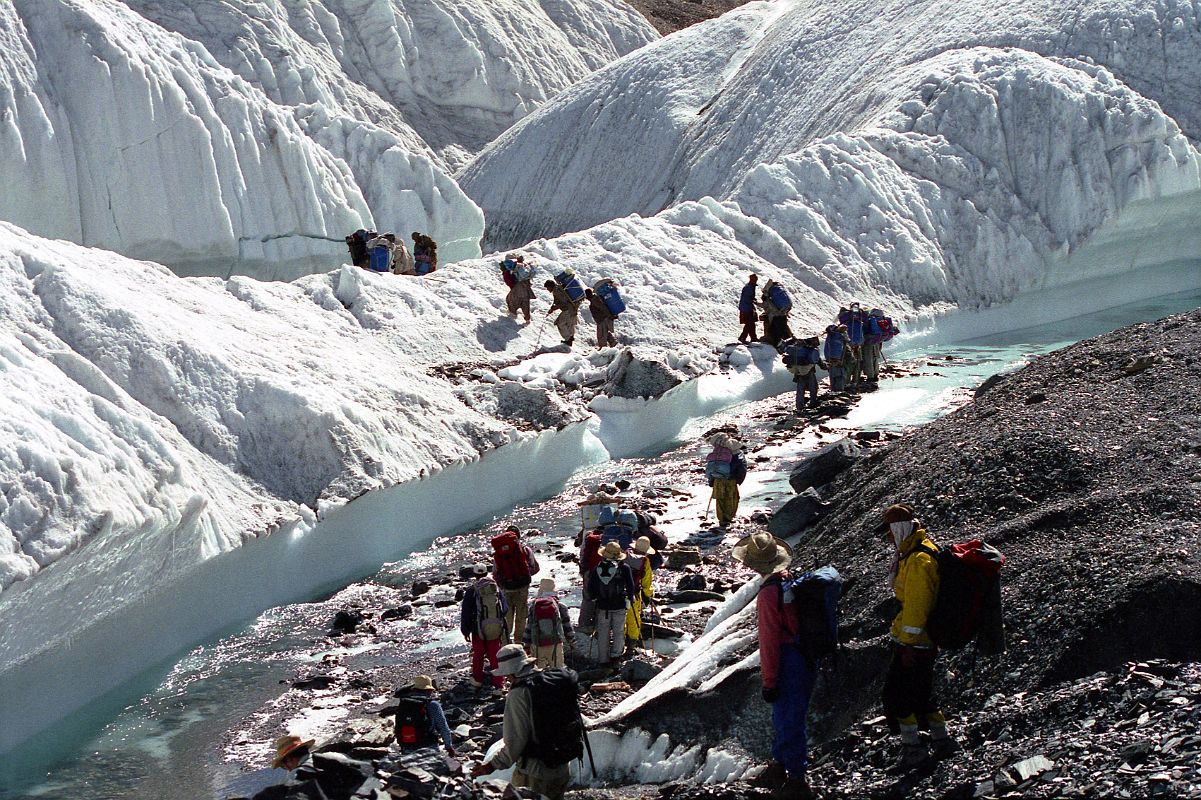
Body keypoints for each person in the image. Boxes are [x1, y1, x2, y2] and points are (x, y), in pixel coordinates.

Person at [732, 533, 816, 800]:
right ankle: (782, 766)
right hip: (803, 653)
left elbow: (769, 641)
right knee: (790, 715)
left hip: (787, 657)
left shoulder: (769, 593)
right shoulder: (786, 580)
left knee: (787, 716)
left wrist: (769, 681)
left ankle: (796, 778)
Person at [879, 503, 959, 767]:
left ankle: (913, 748)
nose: (888, 538)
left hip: (916, 642)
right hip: (923, 639)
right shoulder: (916, 552)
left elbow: (917, 607)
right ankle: (941, 739)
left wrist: (908, 645)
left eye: (889, 532)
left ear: (898, 529)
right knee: (923, 693)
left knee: (897, 696)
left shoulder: (918, 560)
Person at [469, 645, 580, 800]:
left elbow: (515, 741)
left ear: (512, 671)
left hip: (535, 773)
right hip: (562, 765)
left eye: (507, 674)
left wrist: (491, 765)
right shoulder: (553, 681)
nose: (507, 678)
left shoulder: (519, 693)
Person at [253, 735, 378, 799]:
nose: (288, 769)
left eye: (285, 766)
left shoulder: (297, 775)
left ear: (290, 759)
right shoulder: (333, 756)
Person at [587, 542, 636, 665]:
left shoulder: (597, 568)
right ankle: (616, 657)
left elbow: (591, 587)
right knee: (618, 631)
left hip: (603, 606)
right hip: (619, 605)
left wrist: (594, 598)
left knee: (603, 632)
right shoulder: (624, 568)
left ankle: (603, 659)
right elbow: (630, 586)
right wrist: (631, 598)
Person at [460, 571, 509, 689]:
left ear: (474, 575)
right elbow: (505, 608)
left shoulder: (472, 590)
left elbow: (465, 612)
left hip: (478, 629)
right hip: (495, 628)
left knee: (478, 655)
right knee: (494, 655)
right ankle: (498, 683)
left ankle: (477, 680)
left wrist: (465, 631)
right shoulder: (495, 589)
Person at [491, 525, 540, 642]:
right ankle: (518, 642)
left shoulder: (499, 553)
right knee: (521, 616)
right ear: (518, 536)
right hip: (522, 588)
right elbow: (534, 568)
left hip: (506, 589)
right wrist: (524, 577)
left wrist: (503, 584)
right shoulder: (525, 550)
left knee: (507, 616)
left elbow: (495, 573)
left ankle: (506, 641)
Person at [394, 675, 456, 757]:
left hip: (407, 748)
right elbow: (443, 727)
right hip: (429, 747)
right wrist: (449, 747)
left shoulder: (404, 703)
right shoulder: (432, 705)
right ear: (429, 690)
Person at [524, 578, 574, 668]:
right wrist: (571, 641)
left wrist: (526, 645)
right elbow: (567, 626)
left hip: (538, 644)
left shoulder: (534, 605)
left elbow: (529, 626)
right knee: (558, 670)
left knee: (538, 672)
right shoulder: (560, 605)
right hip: (555, 643)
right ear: (554, 588)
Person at [705, 432, 748, 530]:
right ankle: (729, 518)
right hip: (730, 479)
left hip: (718, 479)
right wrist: (739, 479)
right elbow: (741, 466)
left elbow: (711, 466)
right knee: (732, 498)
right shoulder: (735, 451)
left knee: (720, 500)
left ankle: (722, 520)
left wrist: (711, 480)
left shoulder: (717, 451)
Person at [624, 536, 656, 648]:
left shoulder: (625, 554)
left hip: (619, 592)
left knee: (621, 617)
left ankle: (620, 641)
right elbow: (646, 582)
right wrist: (648, 595)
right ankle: (632, 644)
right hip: (634, 594)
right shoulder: (645, 562)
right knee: (634, 618)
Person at [782, 336, 826, 410]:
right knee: (813, 388)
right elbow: (819, 362)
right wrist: (826, 367)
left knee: (800, 390)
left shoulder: (797, 350)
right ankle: (813, 403)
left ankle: (799, 406)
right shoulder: (811, 351)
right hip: (809, 373)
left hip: (798, 373)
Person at [577, 524, 604, 634]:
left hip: (588, 572)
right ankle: (599, 627)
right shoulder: (609, 537)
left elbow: (582, 554)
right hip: (603, 572)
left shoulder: (589, 537)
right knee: (601, 599)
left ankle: (583, 625)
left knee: (587, 599)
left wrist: (583, 570)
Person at [838, 303, 867, 392]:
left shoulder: (846, 317)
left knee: (849, 363)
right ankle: (855, 380)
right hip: (859, 342)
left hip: (850, 343)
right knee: (858, 362)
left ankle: (847, 382)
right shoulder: (860, 316)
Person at [544, 279, 581, 347]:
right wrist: (552, 308)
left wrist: (554, 308)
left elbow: (564, 303)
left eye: (547, 288)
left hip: (568, 309)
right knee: (569, 323)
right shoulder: (558, 289)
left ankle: (568, 339)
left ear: (550, 286)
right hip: (571, 308)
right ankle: (571, 337)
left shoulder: (557, 291)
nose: (548, 290)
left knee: (560, 323)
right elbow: (557, 301)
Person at [502, 254, 534, 322]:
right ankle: (527, 317)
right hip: (526, 287)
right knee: (525, 302)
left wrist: (505, 272)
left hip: (517, 288)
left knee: (511, 300)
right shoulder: (523, 267)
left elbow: (509, 281)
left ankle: (512, 315)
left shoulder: (511, 269)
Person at [760, 280, 793, 347]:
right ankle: (789, 337)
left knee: (774, 329)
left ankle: (775, 341)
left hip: (776, 316)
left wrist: (754, 302)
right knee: (784, 326)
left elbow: (765, 305)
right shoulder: (777, 294)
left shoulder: (767, 300)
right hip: (783, 312)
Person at [823, 324, 849, 393]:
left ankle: (833, 389)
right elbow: (847, 342)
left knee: (832, 374)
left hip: (830, 357)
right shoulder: (841, 336)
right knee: (840, 374)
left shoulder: (831, 334)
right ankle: (839, 390)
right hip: (837, 358)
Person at [738, 273, 760, 343]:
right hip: (746, 308)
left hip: (746, 307)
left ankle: (753, 338)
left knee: (751, 323)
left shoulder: (750, 286)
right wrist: (753, 300)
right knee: (749, 323)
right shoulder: (749, 288)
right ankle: (742, 337)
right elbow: (747, 298)